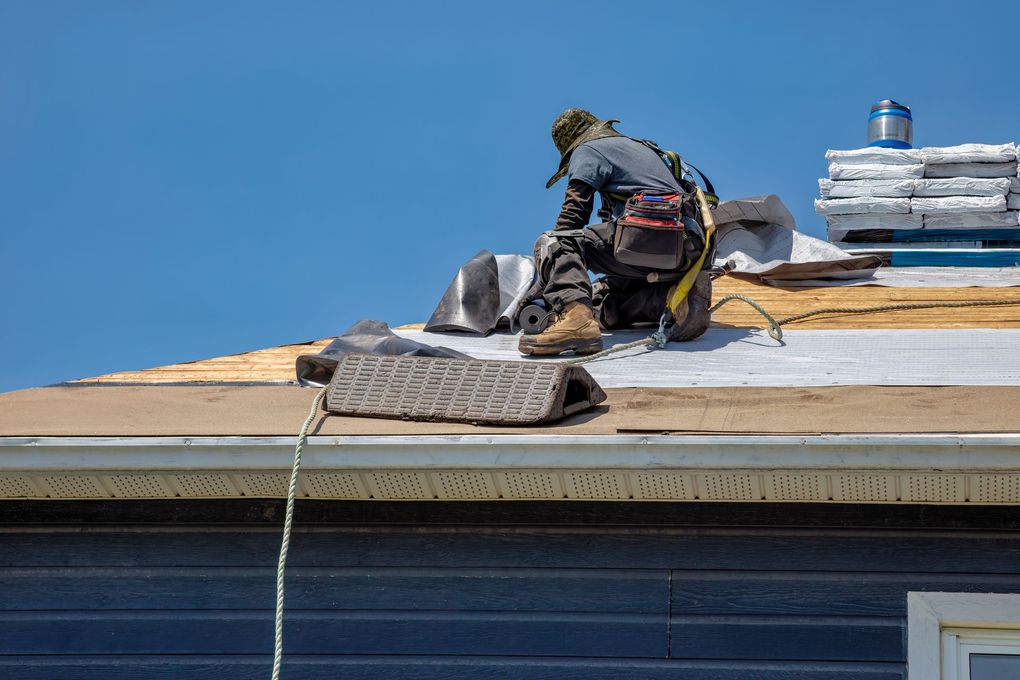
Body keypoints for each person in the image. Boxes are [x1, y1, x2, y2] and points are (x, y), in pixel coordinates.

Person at [518, 108, 713, 356]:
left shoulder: (588, 149)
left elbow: (571, 220)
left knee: (552, 242)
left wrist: (548, 283)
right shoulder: (640, 148)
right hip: (686, 249)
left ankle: (576, 321)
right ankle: (672, 300)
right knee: (603, 300)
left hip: (654, 238)